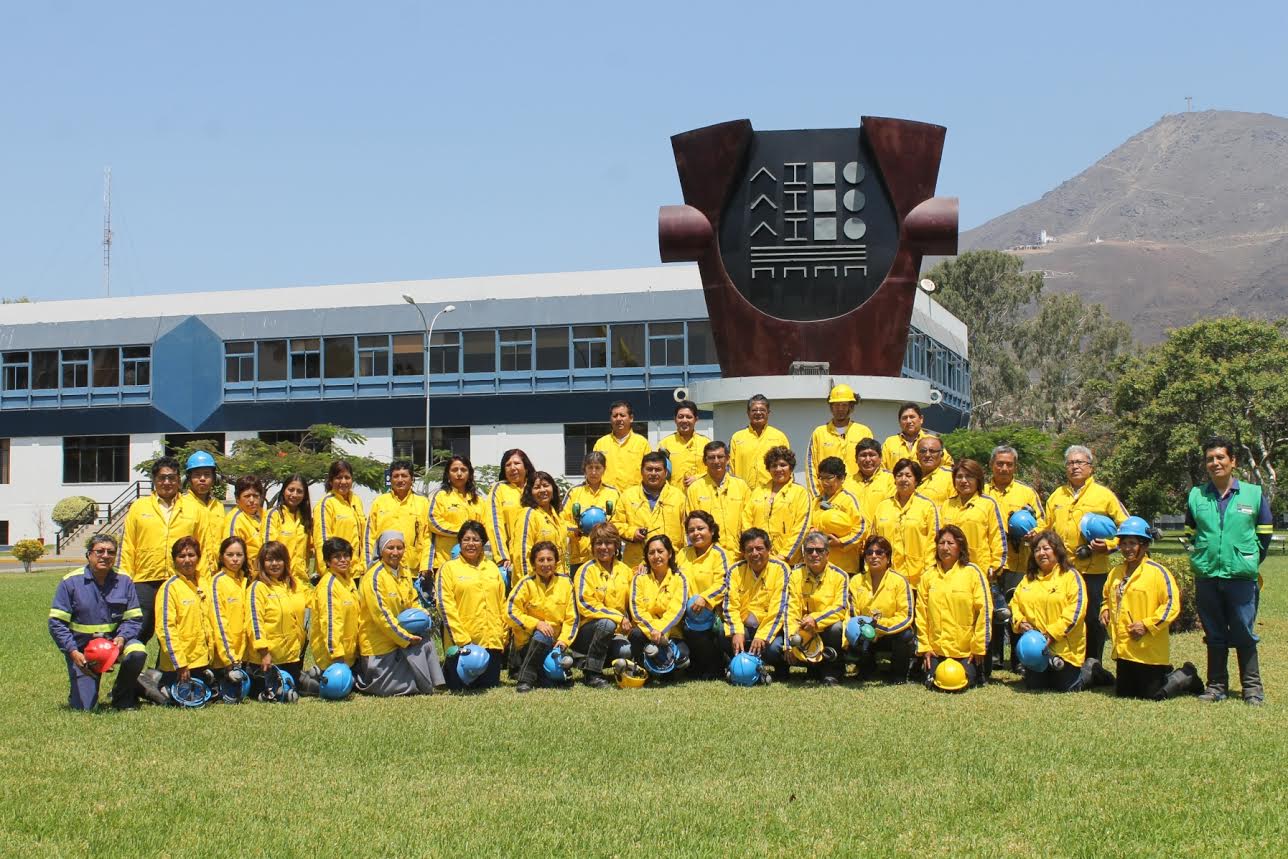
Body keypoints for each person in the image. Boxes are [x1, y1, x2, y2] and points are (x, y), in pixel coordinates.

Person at [1185, 436, 1272, 704]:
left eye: (1220, 457)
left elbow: (1265, 532)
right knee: (1214, 632)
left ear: (1233, 461)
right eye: (1210, 459)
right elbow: (1190, 533)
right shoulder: (1197, 495)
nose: (1215, 463)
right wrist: (1201, 555)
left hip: (1241, 577)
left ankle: (1252, 689)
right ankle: (1216, 687)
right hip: (1207, 575)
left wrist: (1249, 557)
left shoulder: (1253, 494)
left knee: (1244, 631)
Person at [1042, 445, 1128, 676]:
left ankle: (1094, 663)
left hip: (1094, 570)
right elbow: (1046, 528)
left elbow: (1128, 528)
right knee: (1065, 616)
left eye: (1080, 463)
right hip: (1063, 571)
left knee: (1093, 618)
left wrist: (1108, 546)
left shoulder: (1104, 495)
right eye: (1070, 463)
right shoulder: (1056, 496)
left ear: (1091, 467)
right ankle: (1069, 661)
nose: (1075, 467)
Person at [48, 534, 147, 710]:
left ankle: (122, 697)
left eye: (111, 552)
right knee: (84, 708)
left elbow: (134, 618)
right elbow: (56, 623)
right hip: (83, 651)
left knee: (137, 651)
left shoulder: (124, 580)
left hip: (116, 645)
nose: (105, 556)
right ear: (89, 555)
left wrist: (123, 638)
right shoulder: (70, 582)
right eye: (100, 551)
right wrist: (72, 652)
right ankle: (80, 691)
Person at [119, 456, 207, 645]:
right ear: (154, 480)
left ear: (178, 480)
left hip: (180, 580)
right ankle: (130, 672)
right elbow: (128, 546)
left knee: (175, 632)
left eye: (171, 478)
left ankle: (164, 674)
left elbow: (204, 547)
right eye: (162, 478)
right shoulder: (138, 507)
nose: (167, 482)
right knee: (139, 630)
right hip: (144, 579)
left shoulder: (194, 509)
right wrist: (125, 581)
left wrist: (203, 580)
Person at [353, 530, 444, 696]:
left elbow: (413, 599)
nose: (395, 553)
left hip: (401, 638)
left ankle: (433, 682)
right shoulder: (374, 577)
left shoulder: (404, 570)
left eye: (399, 548)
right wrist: (406, 639)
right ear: (381, 550)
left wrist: (423, 615)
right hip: (380, 645)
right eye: (390, 548)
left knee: (425, 640)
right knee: (400, 687)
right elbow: (382, 617)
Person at [1103, 519, 1183, 700]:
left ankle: (1184, 676)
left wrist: (1147, 625)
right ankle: (1161, 674)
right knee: (1124, 693)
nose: (1127, 548)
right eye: (1123, 543)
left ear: (1144, 545)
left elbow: (1171, 605)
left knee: (1152, 695)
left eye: (1132, 543)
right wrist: (1105, 610)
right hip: (1124, 649)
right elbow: (1106, 597)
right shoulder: (1115, 572)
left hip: (1149, 649)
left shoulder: (1158, 573)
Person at [939, 459, 1007, 676]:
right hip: (953, 572)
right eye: (959, 477)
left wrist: (995, 565)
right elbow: (939, 538)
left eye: (969, 477)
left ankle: (984, 667)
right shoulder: (947, 505)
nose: (963, 481)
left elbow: (997, 536)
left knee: (983, 619)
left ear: (978, 480)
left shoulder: (987, 504)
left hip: (981, 572)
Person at [984, 445, 1045, 670]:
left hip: (1020, 562)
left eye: (1009, 464)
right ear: (992, 465)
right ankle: (995, 657)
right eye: (1000, 463)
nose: (1004, 468)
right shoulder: (982, 491)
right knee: (993, 611)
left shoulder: (1026, 493)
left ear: (1015, 467)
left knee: (1019, 611)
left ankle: (1019, 659)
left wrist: (1035, 532)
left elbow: (1043, 521)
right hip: (991, 563)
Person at [1009, 531, 1087, 693]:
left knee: (1066, 687)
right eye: (1037, 550)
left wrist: (1052, 634)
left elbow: (1076, 610)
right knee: (1035, 686)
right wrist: (1020, 621)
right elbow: (1014, 604)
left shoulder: (1071, 576)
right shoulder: (1028, 579)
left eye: (1046, 548)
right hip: (1036, 649)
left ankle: (1092, 670)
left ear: (1057, 551)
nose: (1041, 553)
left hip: (1064, 648)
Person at [437, 520, 507, 691]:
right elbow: (445, 605)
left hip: (491, 644)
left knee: (489, 684)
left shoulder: (492, 568)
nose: (471, 544)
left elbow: (502, 603)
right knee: (459, 686)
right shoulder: (448, 569)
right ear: (459, 542)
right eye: (466, 539)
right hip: (463, 645)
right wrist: (462, 640)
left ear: (483, 543)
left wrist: (503, 635)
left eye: (475, 540)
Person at [917, 526, 988, 690]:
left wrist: (977, 647)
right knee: (934, 683)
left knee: (962, 683)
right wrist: (925, 647)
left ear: (960, 547)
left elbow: (984, 611)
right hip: (937, 650)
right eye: (941, 543)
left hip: (965, 651)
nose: (945, 547)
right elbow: (921, 614)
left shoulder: (973, 573)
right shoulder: (928, 576)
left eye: (950, 543)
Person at [507, 541, 578, 692]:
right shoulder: (525, 584)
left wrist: (563, 641)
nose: (546, 564)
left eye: (549, 559)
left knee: (553, 678)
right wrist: (536, 624)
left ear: (556, 562)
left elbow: (572, 618)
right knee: (543, 633)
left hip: (555, 645)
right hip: (528, 643)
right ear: (533, 564)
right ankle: (525, 679)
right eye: (541, 560)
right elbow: (509, 612)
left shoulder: (566, 583)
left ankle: (541, 675)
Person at [571, 522, 635, 687]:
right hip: (587, 632)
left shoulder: (626, 571)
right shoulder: (585, 570)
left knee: (626, 652)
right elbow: (585, 604)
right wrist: (618, 617)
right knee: (607, 623)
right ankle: (592, 674)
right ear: (592, 546)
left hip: (616, 631)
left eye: (608, 543)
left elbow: (633, 604)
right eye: (599, 543)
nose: (603, 547)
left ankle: (587, 661)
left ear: (616, 545)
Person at [723, 528, 791, 677]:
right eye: (750, 550)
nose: (755, 553)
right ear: (743, 552)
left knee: (774, 648)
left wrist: (762, 636)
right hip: (745, 626)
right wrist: (737, 631)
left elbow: (779, 609)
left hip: (771, 628)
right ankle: (735, 665)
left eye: (759, 548)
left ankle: (780, 668)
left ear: (769, 549)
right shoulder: (735, 571)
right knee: (722, 634)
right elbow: (730, 606)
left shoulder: (781, 569)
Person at [847, 535, 915, 683]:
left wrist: (880, 627)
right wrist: (865, 628)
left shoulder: (900, 581)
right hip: (865, 634)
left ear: (888, 557)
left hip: (890, 633)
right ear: (864, 557)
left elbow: (906, 616)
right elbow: (853, 615)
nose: (874, 556)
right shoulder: (856, 581)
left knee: (906, 635)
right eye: (869, 553)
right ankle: (866, 670)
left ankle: (898, 674)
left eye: (879, 553)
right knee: (852, 631)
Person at [786, 531, 848, 685]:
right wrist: (790, 641)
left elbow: (841, 607)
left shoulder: (840, 576)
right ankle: (812, 668)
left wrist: (816, 619)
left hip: (826, 626)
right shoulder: (794, 575)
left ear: (827, 554)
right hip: (805, 628)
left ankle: (832, 672)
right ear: (804, 553)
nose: (814, 554)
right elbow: (791, 609)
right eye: (809, 550)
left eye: (819, 550)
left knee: (836, 628)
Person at [677, 511, 732, 679]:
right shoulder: (682, 554)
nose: (696, 533)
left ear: (712, 531)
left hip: (712, 612)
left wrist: (705, 598)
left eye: (701, 528)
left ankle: (717, 664)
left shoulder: (719, 554)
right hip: (685, 612)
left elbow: (724, 583)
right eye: (691, 530)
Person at [627, 535, 690, 678]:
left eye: (660, 551)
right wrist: (653, 630)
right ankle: (643, 670)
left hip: (672, 634)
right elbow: (637, 610)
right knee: (636, 635)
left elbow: (677, 609)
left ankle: (663, 662)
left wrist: (661, 631)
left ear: (670, 553)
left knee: (682, 660)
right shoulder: (640, 578)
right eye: (651, 552)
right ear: (647, 557)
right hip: (646, 632)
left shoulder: (680, 579)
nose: (656, 556)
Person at [247, 540, 308, 687]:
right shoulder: (258, 588)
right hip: (267, 660)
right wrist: (264, 653)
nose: (274, 564)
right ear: (262, 563)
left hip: (290, 658)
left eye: (278, 559)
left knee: (312, 687)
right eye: (269, 560)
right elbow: (255, 623)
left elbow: (314, 599)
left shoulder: (291, 584)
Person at [155, 536, 215, 687]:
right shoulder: (169, 588)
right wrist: (180, 664)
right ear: (174, 560)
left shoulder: (205, 584)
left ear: (198, 558)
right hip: (180, 664)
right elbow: (166, 629)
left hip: (203, 660)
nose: (187, 560)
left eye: (191, 555)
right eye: (181, 556)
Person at [872, 459, 940, 590]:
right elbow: (873, 540)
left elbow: (934, 540)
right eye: (899, 475)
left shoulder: (927, 506)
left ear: (916, 480)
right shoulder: (882, 506)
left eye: (908, 476)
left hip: (918, 579)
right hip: (886, 578)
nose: (903, 479)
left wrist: (929, 572)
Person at [612, 451, 688, 568]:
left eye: (657, 470)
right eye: (649, 469)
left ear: (665, 472)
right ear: (641, 471)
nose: (653, 473)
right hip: (636, 564)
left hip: (671, 563)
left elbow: (687, 531)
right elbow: (615, 524)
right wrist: (632, 533)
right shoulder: (627, 496)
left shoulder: (679, 497)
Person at [740, 445, 810, 566]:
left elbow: (801, 528)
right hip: (758, 559)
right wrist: (753, 549)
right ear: (768, 469)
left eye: (783, 465)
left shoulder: (800, 493)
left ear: (791, 467)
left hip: (788, 562)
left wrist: (784, 556)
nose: (778, 469)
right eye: (774, 465)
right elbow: (746, 520)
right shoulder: (758, 491)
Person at [427, 455, 491, 576]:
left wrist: (472, 539)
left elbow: (486, 527)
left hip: (475, 562)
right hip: (445, 560)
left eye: (463, 470)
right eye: (454, 470)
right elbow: (433, 522)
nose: (459, 474)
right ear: (448, 474)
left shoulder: (479, 500)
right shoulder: (440, 496)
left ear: (470, 474)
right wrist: (464, 533)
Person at [805, 384, 874, 497]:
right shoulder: (819, 432)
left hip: (858, 495)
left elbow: (873, 464)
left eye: (844, 405)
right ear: (831, 407)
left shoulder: (863, 432)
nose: (840, 409)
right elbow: (811, 467)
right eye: (836, 405)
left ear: (851, 407)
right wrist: (817, 496)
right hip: (826, 497)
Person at [685, 441, 750, 560]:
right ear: (704, 461)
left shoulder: (741, 486)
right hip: (709, 557)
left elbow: (749, 521)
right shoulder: (695, 489)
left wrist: (745, 547)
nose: (716, 461)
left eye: (720, 457)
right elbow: (692, 525)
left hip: (739, 555)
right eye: (711, 457)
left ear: (728, 458)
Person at [365, 459, 430, 575]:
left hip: (413, 571)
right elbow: (370, 536)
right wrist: (369, 565)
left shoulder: (423, 503)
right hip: (383, 569)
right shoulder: (379, 502)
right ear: (390, 479)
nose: (400, 480)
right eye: (396, 476)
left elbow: (427, 537)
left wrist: (425, 566)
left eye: (404, 476)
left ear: (412, 479)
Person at [561, 451, 620, 571]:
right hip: (579, 558)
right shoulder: (574, 492)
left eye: (598, 468)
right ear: (584, 469)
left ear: (604, 469)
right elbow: (561, 522)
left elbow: (620, 521)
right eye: (590, 467)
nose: (594, 472)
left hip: (608, 556)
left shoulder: (613, 493)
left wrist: (608, 531)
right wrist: (575, 531)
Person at [310, 537, 361, 672]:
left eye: (346, 556)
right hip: (332, 659)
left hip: (349, 656)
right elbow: (330, 623)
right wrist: (337, 656)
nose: (343, 560)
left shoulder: (348, 581)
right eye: (337, 557)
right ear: (327, 561)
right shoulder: (329, 586)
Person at [810, 457, 866, 574]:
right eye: (822, 478)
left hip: (844, 567)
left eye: (829, 478)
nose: (825, 482)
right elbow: (807, 524)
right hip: (820, 566)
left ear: (841, 478)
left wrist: (841, 543)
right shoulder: (815, 501)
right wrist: (811, 530)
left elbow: (861, 529)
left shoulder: (848, 500)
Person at [208, 537, 251, 682]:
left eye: (239, 555)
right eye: (230, 555)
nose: (235, 559)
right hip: (226, 659)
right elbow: (219, 623)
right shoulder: (218, 582)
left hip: (245, 656)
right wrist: (230, 659)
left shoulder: (246, 581)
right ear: (221, 557)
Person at [313, 459, 366, 572]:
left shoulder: (356, 501)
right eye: (338, 478)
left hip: (355, 570)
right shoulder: (325, 504)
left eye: (347, 477)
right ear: (331, 481)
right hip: (336, 571)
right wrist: (327, 570)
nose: (343, 481)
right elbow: (322, 540)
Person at [728, 395, 791, 490]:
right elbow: (730, 468)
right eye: (754, 410)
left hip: (771, 493)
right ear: (748, 413)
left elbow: (788, 467)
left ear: (768, 413)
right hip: (743, 493)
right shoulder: (737, 438)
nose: (758, 413)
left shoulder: (779, 437)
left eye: (762, 410)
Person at [488, 448, 534, 575]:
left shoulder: (536, 488)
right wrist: (502, 556)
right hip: (510, 561)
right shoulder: (499, 489)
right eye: (508, 465)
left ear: (526, 467)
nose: (512, 468)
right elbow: (494, 524)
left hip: (538, 559)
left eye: (517, 463)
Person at [513, 471, 565, 582]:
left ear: (553, 489)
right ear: (530, 492)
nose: (542, 490)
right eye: (537, 487)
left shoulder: (557, 516)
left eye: (546, 486)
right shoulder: (528, 514)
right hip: (536, 585)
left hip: (557, 583)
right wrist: (528, 586)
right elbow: (522, 554)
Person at [264, 474, 313, 586]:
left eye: (299, 491)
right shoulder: (273, 515)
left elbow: (309, 551)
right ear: (283, 491)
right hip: (278, 579)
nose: (294, 494)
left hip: (301, 580)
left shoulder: (305, 519)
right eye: (291, 490)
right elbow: (267, 550)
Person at [183, 451, 226, 579]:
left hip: (219, 575)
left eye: (207, 474)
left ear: (214, 478)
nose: (202, 479)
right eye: (197, 475)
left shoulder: (219, 506)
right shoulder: (181, 505)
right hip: (193, 575)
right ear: (189, 478)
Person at [593, 400, 651, 491]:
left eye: (622, 415)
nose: (619, 419)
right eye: (615, 416)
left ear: (631, 418)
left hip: (633, 498)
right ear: (610, 419)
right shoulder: (601, 443)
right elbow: (593, 471)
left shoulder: (642, 443)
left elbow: (649, 471)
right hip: (607, 497)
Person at [882, 402, 952, 472]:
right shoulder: (890, 442)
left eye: (912, 417)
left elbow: (948, 466)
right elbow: (881, 468)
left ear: (921, 419)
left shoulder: (933, 442)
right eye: (904, 418)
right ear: (899, 422)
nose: (908, 421)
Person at [658, 399, 711, 490]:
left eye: (689, 417)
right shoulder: (665, 443)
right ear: (675, 419)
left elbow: (715, 469)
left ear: (696, 419)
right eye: (681, 417)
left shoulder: (706, 443)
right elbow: (658, 471)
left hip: (701, 495)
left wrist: (698, 478)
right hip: (674, 497)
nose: (684, 420)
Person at [846, 438, 895, 528]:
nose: (868, 459)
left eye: (872, 455)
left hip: (880, 538)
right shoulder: (846, 483)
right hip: (854, 538)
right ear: (856, 459)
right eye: (863, 455)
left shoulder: (891, 480)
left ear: (880, 458)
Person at [227, 475, 267, 576]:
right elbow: (231, 556)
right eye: (247, 496)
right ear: (237, 499)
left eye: (256, 495)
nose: (252, 500)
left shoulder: (265, 515)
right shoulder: (235, 520)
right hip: (247, 576)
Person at [914, 436, 955, 509]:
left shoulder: (951, 477)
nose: (927, 455)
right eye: (923, 451)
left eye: (932, 451)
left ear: (941, 454)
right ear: (917, 455)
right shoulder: (910, 475)